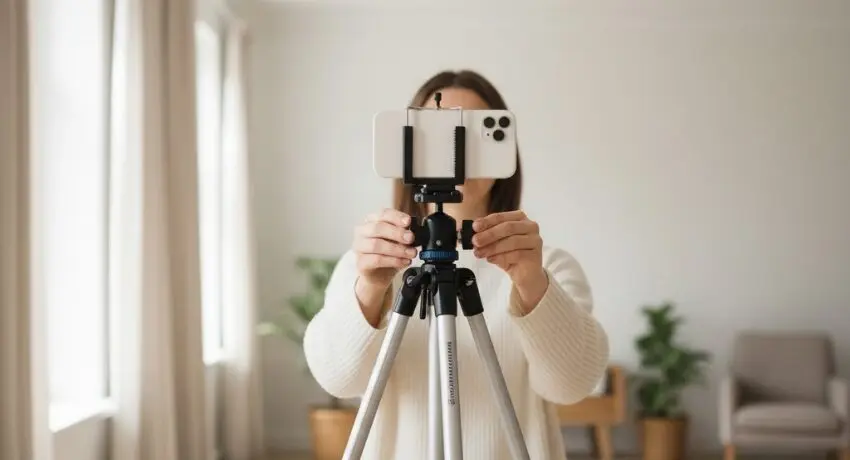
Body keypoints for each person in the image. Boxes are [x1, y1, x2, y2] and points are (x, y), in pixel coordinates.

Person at [303, 70, 609, 460]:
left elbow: (572, 386)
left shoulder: (547, 265)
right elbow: (339, 380)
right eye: (440, 129)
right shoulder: (371, 263)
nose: (456, 146)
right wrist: (369, 289)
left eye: (471, 129)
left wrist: (532, 283)